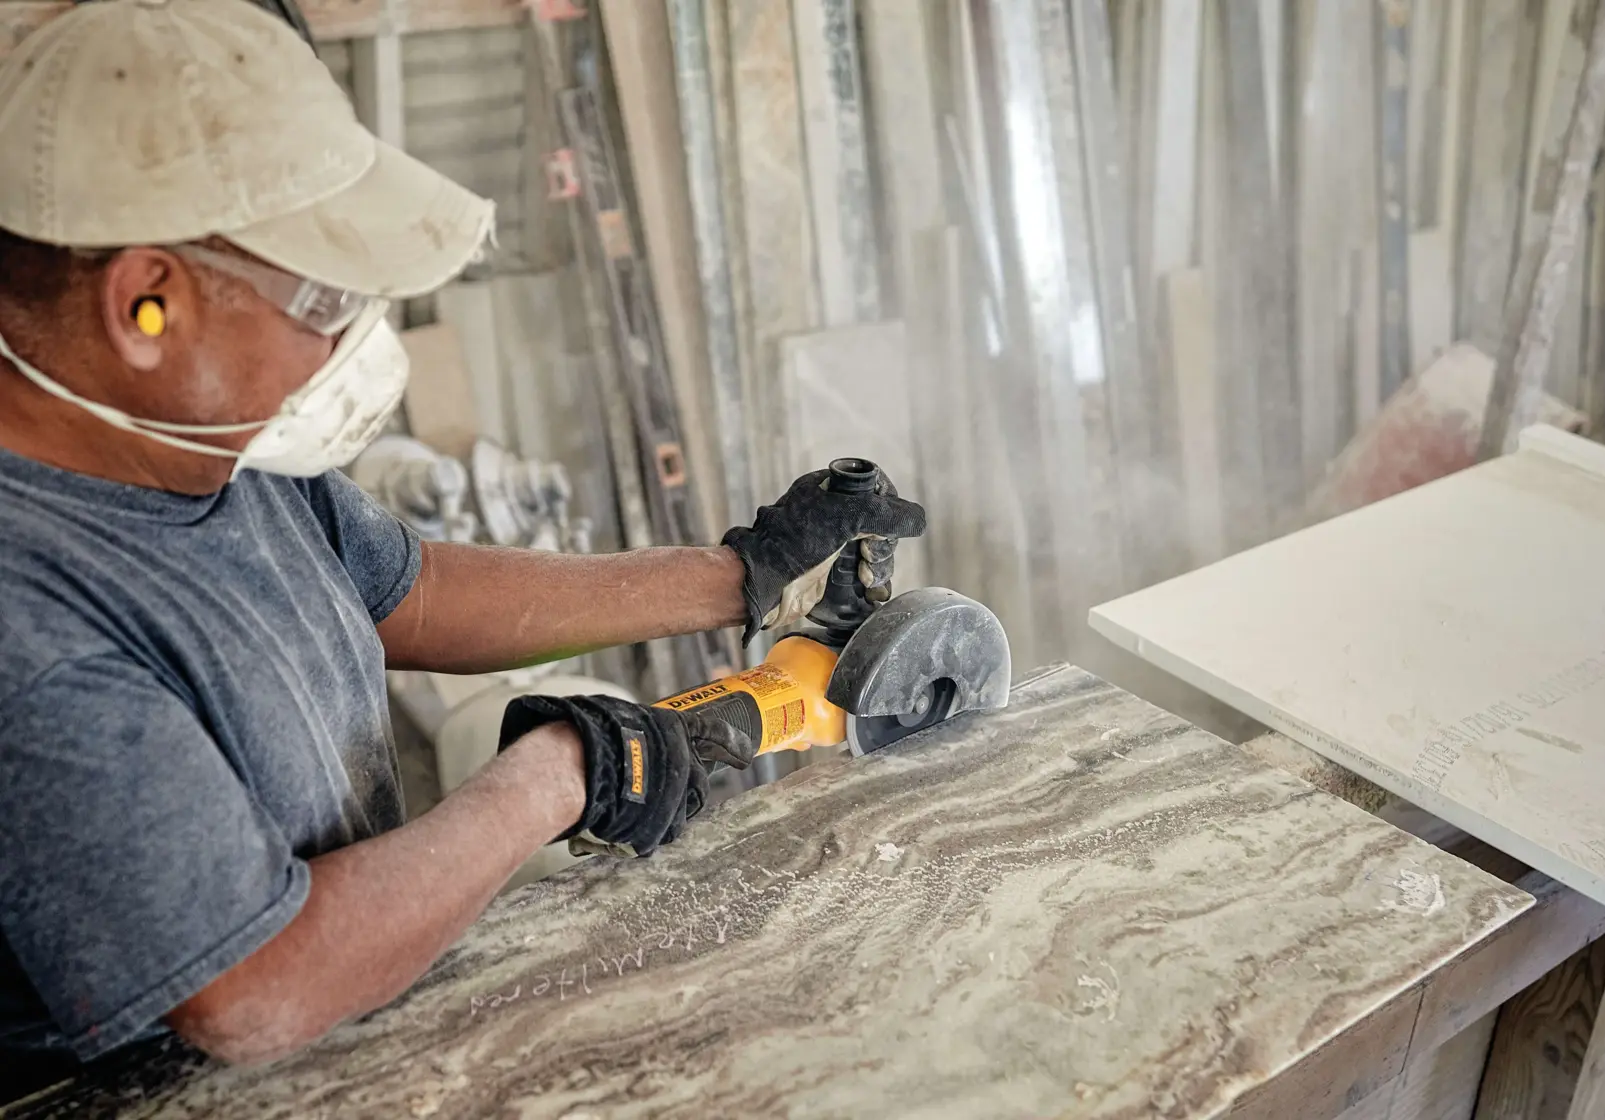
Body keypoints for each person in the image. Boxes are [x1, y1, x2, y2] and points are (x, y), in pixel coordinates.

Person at [0, 0, 925, 1096]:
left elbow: (415, 593)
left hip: (338, 1035)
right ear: (146, 303)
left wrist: (742, 573)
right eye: (324, 299)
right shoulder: (31, 618)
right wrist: (560, 771)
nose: (356, 345)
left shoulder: (212, 449)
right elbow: (253, 986)